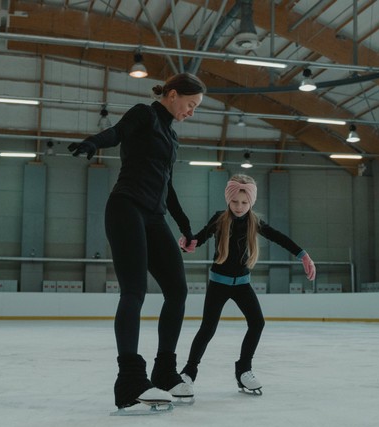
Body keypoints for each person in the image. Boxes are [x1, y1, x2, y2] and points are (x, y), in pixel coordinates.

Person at [68, 73, 206, 410]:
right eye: (190, 104)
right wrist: (92, 142)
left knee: (177, 291)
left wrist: (186, 226)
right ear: (172, 95)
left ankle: (164, 372)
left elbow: (167, 186)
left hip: (155, 217)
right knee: (134, 292)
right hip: (126, 207)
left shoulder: (171, 139)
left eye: (195, 108)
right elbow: (116, 133)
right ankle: (130, 380)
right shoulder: (144, 114)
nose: (191, 111)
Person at [178, 174, 316, 394]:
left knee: (257, 323)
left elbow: (279, 237)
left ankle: (244, 370)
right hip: (218, 283)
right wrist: (187, 244)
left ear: (251, 202)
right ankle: (188, 373)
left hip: (242, 284)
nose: (239, 207)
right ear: (228, 200)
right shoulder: (219, 219)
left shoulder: (255, 222)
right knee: (208, 328)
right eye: (235, 202)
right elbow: (199, 238)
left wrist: (303, 255)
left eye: (244, 203)